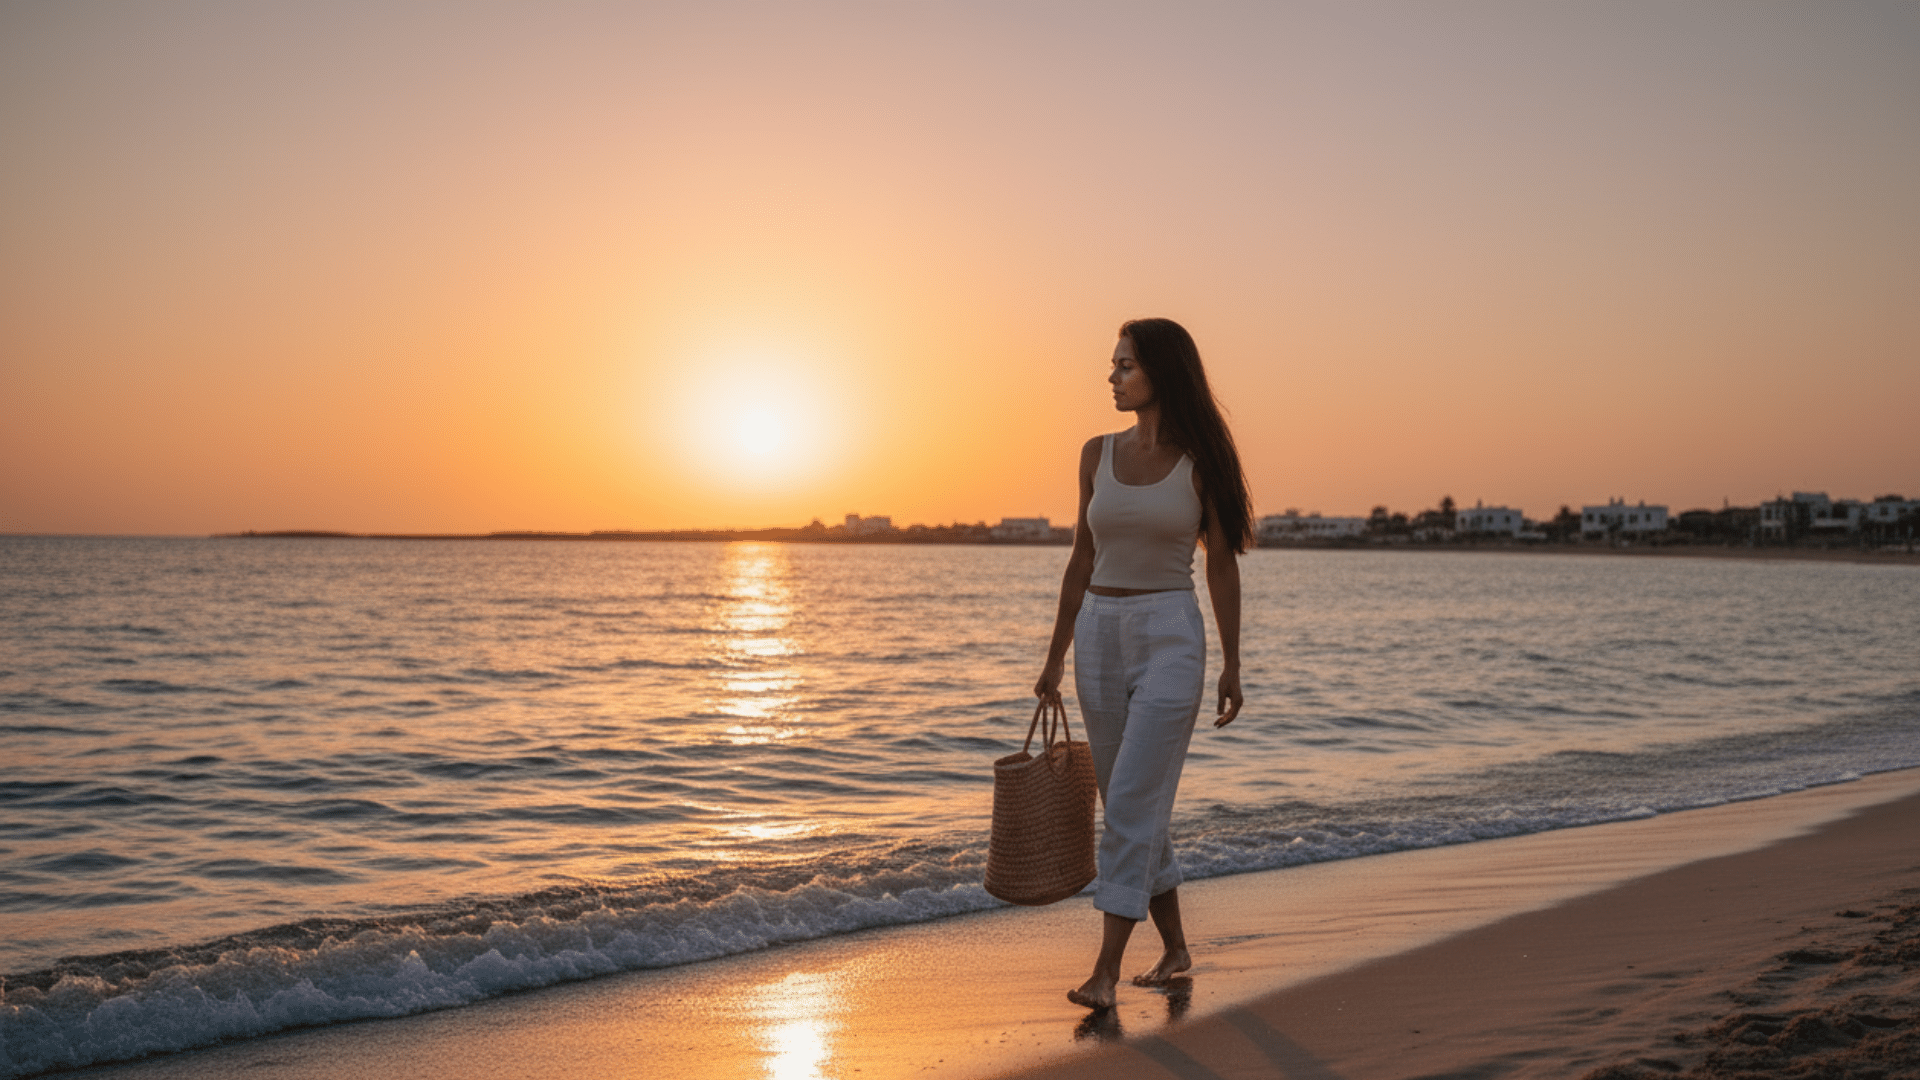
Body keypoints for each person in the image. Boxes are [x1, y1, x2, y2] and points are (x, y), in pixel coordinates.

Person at [1034, 317, 1252, 1011]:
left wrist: (1232, 663)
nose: (1112, 376)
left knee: (1128, 801)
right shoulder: (1094, 453)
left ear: (1161, 371)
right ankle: (1178, 946)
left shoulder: (1202, 462)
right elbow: (1081, 558)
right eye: (1113, 364)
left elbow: (1219, 564)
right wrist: (1053, 659)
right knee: (1133, 802)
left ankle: (1103, 973)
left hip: (1170, 637)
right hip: (1098, 630)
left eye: (1125, 365)